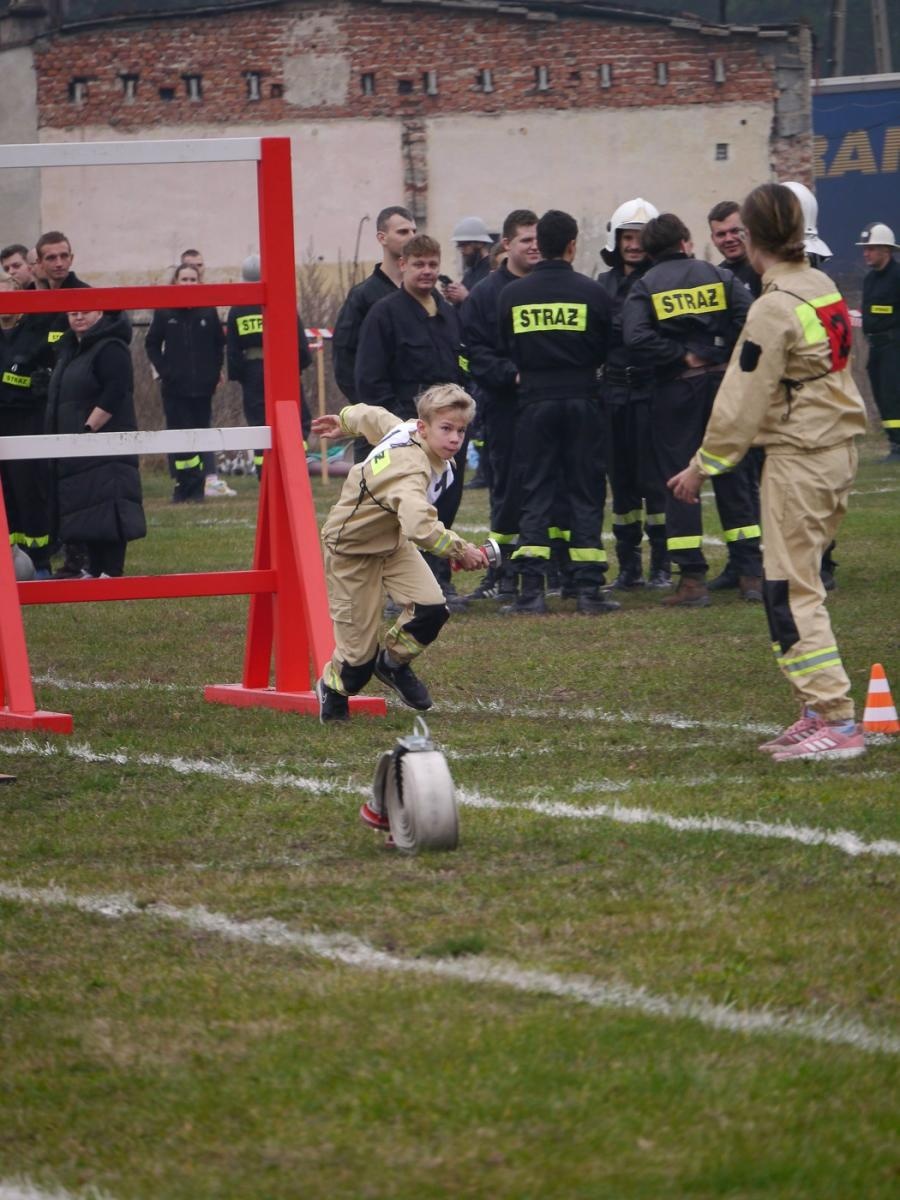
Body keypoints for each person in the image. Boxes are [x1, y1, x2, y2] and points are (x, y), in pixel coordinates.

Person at [670, 182, 867, 761]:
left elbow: (742, 396)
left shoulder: (773, 307)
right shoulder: (821, 286)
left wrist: (702, 466)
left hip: (801, 456)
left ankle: (836, 716)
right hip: (833, 448)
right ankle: (814, 708)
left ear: (753, 238)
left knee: (788, 587)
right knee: (799, 579)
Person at [310, 383, 485, 724]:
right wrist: (462, 551)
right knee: (357, 661)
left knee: (432, 609)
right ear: (424, 427)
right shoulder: (410, 468)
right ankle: (333, 688)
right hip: (352, 550)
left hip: (391, 544)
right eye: (446, 429)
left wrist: (344, 421)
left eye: (460, 431)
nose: (454, 439)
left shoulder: (405, 429)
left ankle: (392, 663)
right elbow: (421, 526)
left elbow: (372, 416)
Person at [622, 212, 759, 607]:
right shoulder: (720, 275)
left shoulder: (646, 285)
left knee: (681, 481)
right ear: (685, 241)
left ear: (649, 253)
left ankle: (692, 580)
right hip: (723, 388)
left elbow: (635, 337)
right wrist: (716, 351)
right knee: (734, 473)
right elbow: (750, 319)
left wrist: (680, 357)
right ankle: (751, 573)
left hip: (674, 392)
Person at [497, 208, 616, 616]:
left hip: (534, 402)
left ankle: (531, 590)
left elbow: (505, 346)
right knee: (585, 490)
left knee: (536, 490)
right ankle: (587, 590)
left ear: (539, 245)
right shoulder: (595, 293)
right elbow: (610, 349)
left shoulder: (511, 296)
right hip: (584, 399)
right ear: (571, 245)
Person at [355, 232, 468, 608]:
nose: (426, 271)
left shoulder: (447, 312)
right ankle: (399, 590)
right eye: (418, 264)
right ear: (402, 264)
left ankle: (440, 582)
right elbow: (370, 379)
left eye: (433, 265)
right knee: (405, 513)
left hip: (447, 431)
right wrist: (402, 428)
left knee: (445, 506)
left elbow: (461, 367)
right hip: (409, 433)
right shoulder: (384, 313)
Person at [461, 208, 541, 601]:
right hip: (505, 406)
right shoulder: (486, 294)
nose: (535, 246)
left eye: (539, 239)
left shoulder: (550, 286)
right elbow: (475, 353)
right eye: (527, 239)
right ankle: (502, 574)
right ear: (507, 244)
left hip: (546, 408)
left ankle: (546, 571)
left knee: (549, 490)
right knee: (506, 493)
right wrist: (513, 375)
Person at [597, 197, 671, 591]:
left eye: (640, 236)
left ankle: (662, 565)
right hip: (612, 394)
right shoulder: (603, 285)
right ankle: (628, 568)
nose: (633, 244)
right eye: (627, 236)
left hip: (650, 392)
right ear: (616, 238)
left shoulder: (664, 279)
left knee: (655, 483)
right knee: (621, 484)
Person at [46, 308, 146, 578]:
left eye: (85, 312)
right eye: (73, 313)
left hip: (104, 442)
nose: (78, 317)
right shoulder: (70, 349)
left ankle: (112, 570)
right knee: (87, 505)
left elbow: (116, 389)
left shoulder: (111, 347)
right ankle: (94, 567)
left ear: (100, 312)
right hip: (75, 444)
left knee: (110, 503)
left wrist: (89, 428)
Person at [332, 205, 416, 461]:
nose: (411, 237)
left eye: (414, 230)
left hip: (420, 415)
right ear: (382, 237)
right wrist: (368, 409)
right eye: (402, 231)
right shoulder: (364, 297)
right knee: (374, 492)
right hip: (377, 420)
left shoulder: (424, 295)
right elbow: (344, 358)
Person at [145, 262, 227, 503]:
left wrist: (213, 374)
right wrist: (164, 371)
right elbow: (151, 344)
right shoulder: (164, 312)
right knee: (179, 437)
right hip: (174, 388)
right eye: (184, 279)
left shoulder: (208, 311)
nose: (188, 284)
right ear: (176, 283)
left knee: (201, 435)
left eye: (193, 279)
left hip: (202, 388)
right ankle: (183, 485)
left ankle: (198, 486)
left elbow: (218, 345)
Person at [226, 254, 313, 476]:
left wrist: (240, 375)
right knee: (296, 419)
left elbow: (233, 349)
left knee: (259, 424)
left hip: (253, 374)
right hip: (284, 371)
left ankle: (265, 473)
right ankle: (295, 468)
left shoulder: (237, 309)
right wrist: (298, 368)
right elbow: (300, 344)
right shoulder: (282, 303)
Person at [0, 277, 54, 576]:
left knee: (30, 491)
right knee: (4, 494)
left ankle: (40, 561)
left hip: (26, 420)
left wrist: (42, 382)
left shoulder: (36, 331)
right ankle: (7, 560)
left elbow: (51, 367)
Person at [857, 221, 900, 463]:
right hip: (876, 348)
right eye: (865, 249)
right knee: (882, 396)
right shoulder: (870, 280)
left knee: (894, 394)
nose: (866, 253)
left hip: (895, 347)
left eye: (871, 248)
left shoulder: (897, 276)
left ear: (885, 250)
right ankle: (894, 441)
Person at [707, 201, 761, 297]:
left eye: (734, 231)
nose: (729, 239)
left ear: (747, 230)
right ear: (713, 239)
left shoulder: (765, 268)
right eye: (721, 234)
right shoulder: (714, 277)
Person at [443, 216, 493, 305]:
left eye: (464, 245)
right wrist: (455, 299)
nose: (462, 251)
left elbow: (493, 309)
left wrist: (466, 297)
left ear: (480, 243)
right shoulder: (470, 272)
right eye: (459, 246)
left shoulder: (493, 270)